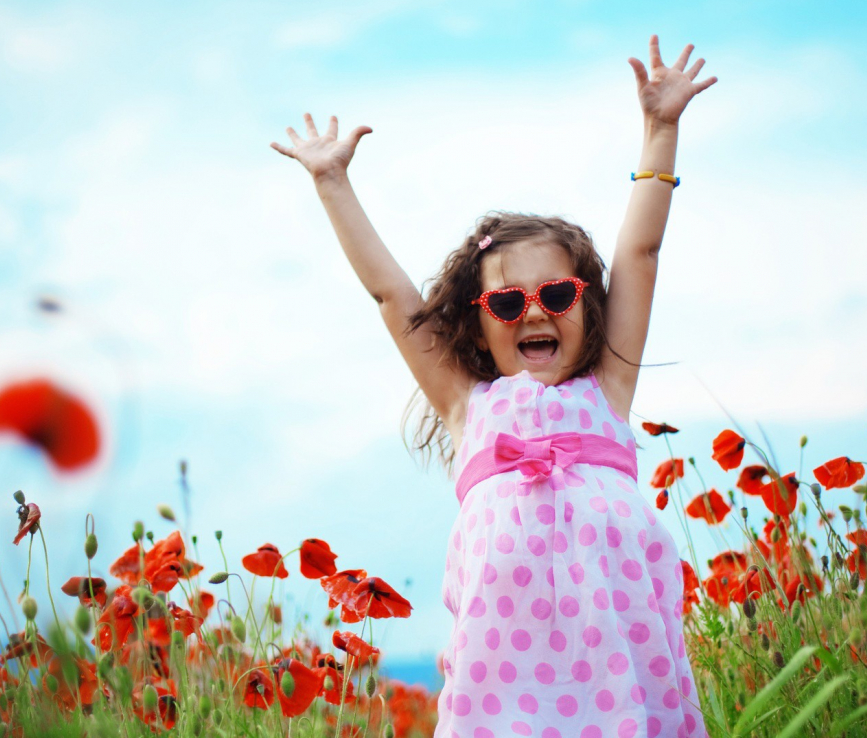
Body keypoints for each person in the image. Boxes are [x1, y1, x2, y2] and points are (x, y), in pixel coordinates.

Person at [272, 34, 715, 738]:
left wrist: (660, 130)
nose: (534, 312)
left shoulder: (607, 386)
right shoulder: (468, 406)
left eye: (557, 295)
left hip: (620, 678)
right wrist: (332, 182)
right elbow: (392, 296)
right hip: (503, 694)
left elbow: (641, 253)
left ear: (589, 307)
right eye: (508, 303)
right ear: (480, 329)